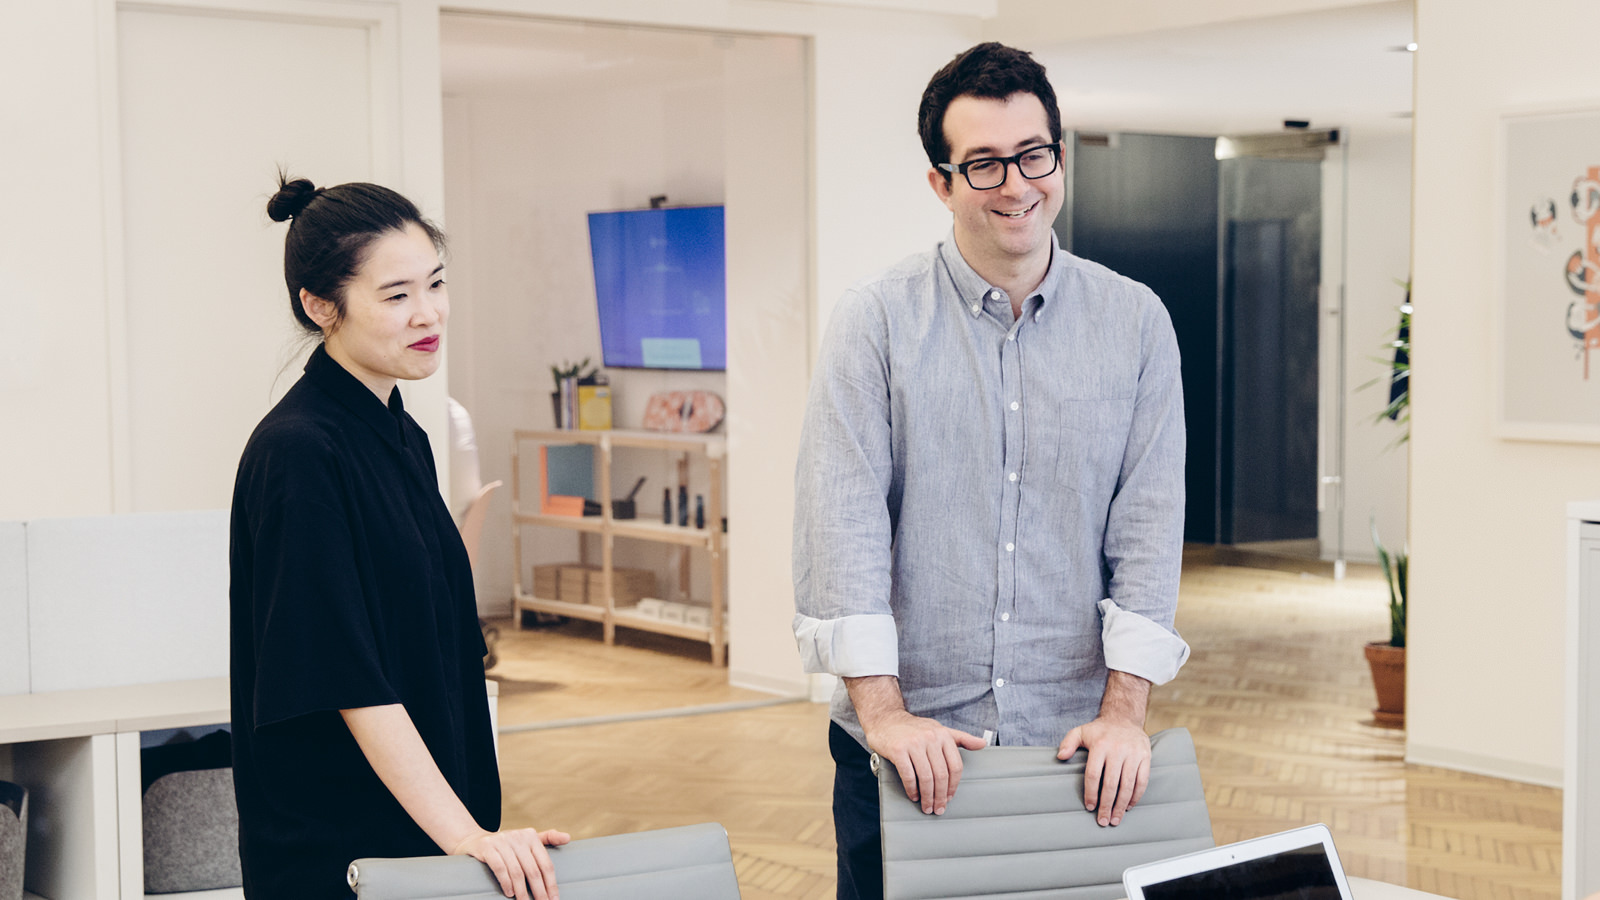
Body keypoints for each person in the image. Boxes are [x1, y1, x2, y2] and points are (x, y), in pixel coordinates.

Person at [791, 42, 1190, 900]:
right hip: (906, 750)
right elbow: (843, 526)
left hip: (1074, 749)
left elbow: (1151, 529)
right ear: (941, 182)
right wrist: (886, 714)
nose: (1016, 185)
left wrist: (1125, 714)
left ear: (1059, 153)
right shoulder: (875, 323)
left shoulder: (1136, 324)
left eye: (1033, 154)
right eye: (983, 164)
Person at [229, 176, 568, 900]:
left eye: (436, 283)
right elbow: (349, 679)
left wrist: (470, 835)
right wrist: (466, 837)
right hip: (343, 853)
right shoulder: (299, 451)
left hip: (427, 832)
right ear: (320, 306)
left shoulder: (401, 432)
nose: (429, 314)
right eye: (396, 296)